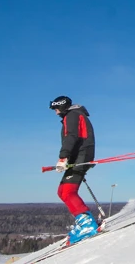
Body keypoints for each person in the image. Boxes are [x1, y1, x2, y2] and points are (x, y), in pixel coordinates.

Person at [49, 95, 99, 244]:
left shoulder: (71, 115)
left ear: (63, 106)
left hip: (80, 155)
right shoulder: (75, 115)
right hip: (78, 156)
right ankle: (84, 220)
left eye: (56, 108)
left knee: (67, 191)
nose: (56, 112)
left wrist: (63, 157)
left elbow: (72, 136)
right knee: (62, 191)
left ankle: (88, 225)